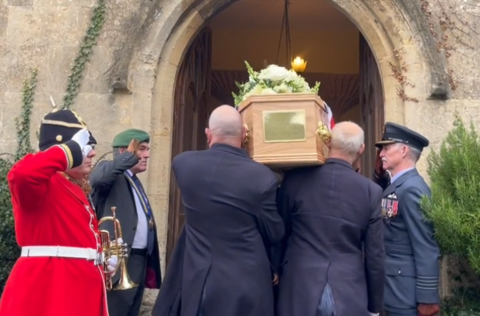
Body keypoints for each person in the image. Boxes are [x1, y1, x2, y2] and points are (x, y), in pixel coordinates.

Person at [152, 105, 284, 316]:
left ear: (208, 133)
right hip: (245, 284)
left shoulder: (184, 164)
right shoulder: (263, 178)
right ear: (244, 134)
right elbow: (275, 232)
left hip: (199, 279)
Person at [0, 109, 117, 316]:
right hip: (50, 294)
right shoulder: (44, 184)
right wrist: (67, 151)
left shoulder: (73, 186)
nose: (91, 153)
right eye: (84, 147)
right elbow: (20, 175)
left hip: (77, 293)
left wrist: (100, 259)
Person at [274, 121, 385, 316]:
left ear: (328, 143)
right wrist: (374, 307)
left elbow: (279, 233)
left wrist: (275, 270)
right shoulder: (371, 192)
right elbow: (375, 255)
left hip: (299, 288)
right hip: (348, 292)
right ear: (361, 149)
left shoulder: (294, 181)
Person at [90, 129, 162, 316]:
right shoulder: (111, 173)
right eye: (142, 149)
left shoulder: (133, 180)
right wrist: (128, 158)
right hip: (119, 261)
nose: (147, 155)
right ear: (124, 151)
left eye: (148, 149)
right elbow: (97, 180)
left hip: (137, 259)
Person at [373, 122, 440, 316]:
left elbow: (425, 245)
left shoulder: (411, 189)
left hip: (405, 293)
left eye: (386, 148)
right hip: (395, 287)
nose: (381, 154)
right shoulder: (399, 185)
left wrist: (427, 297)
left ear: (403, 150)